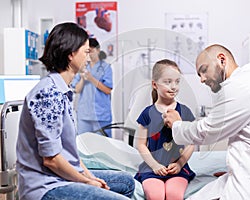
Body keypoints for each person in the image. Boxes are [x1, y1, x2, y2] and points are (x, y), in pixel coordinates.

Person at [163, 44, 250, 199]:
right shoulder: (247, 82)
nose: (202, 79)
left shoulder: (241, 87)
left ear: (222, 60)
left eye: (204, 70)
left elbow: (206, 132)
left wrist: (176, 124)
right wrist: (237, 168)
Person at [16, 22, 134, 200]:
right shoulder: (48, 94)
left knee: (126, 182)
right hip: (45, 184)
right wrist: (86, 182)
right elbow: (51, 160)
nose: (88, 58)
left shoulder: (63, 90)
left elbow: (70, 153)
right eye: (86, 52)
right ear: (71, 54)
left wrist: (89, 177)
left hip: (62, 176)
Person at [134, 59, 196, 200]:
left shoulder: (184, 112)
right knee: (156, 196)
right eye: (168, 82)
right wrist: (154, 165)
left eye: (177, 81)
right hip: (152, 167)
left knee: (174, 195)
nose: (174, 87)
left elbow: (191, 143)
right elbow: (141, 144)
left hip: (177, 168)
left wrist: (180, 164)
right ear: (155, 84)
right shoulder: (147, 113)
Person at [71, 37, 113, 137]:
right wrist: (82, 78)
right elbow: (76, 89)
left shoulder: (106, 67)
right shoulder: (82, 67)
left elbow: (108, 90)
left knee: (102, 147)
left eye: (91, 51)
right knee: (83, 147)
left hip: (100, 115)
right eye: (87, 51)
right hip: (84, 114)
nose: (89, 54)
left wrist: (91, 78)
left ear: (98, 50)